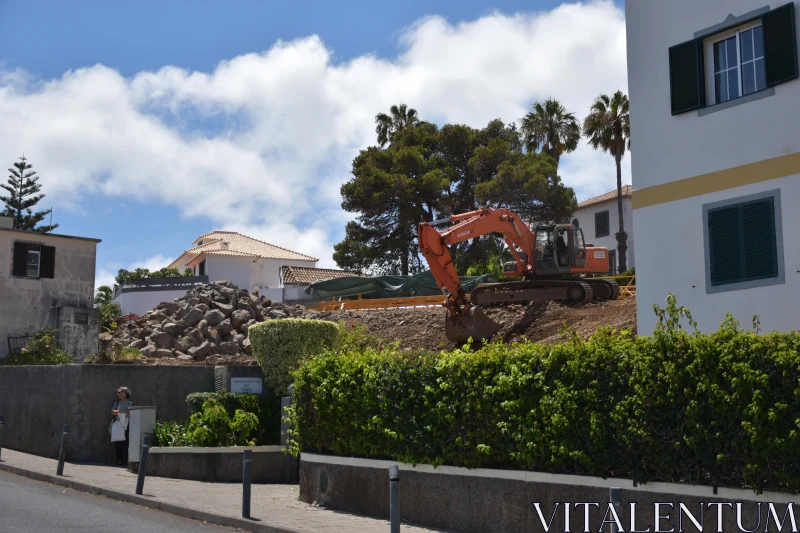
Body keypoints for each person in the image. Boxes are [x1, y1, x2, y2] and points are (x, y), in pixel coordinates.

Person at [110, 387, 132, 466]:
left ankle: (126, 460)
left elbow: (129, 413)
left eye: (120, 392)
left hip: (125, 424)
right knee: (117, 442)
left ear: (124, 393)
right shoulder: (117, 403)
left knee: (125, 442)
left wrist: (119, 412)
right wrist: (123, 411)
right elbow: (112, 412)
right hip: (118, 424)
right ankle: (119, 460)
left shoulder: (129, 403)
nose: (118, 394)